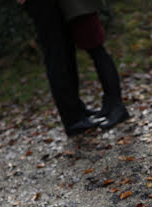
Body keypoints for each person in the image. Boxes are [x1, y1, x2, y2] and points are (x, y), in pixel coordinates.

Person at [16, 0, 129, 136]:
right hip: (65, 6)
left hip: (74, 6)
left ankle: (96, 108)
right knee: (58, 52)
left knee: (73, 50)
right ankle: (74, 118)